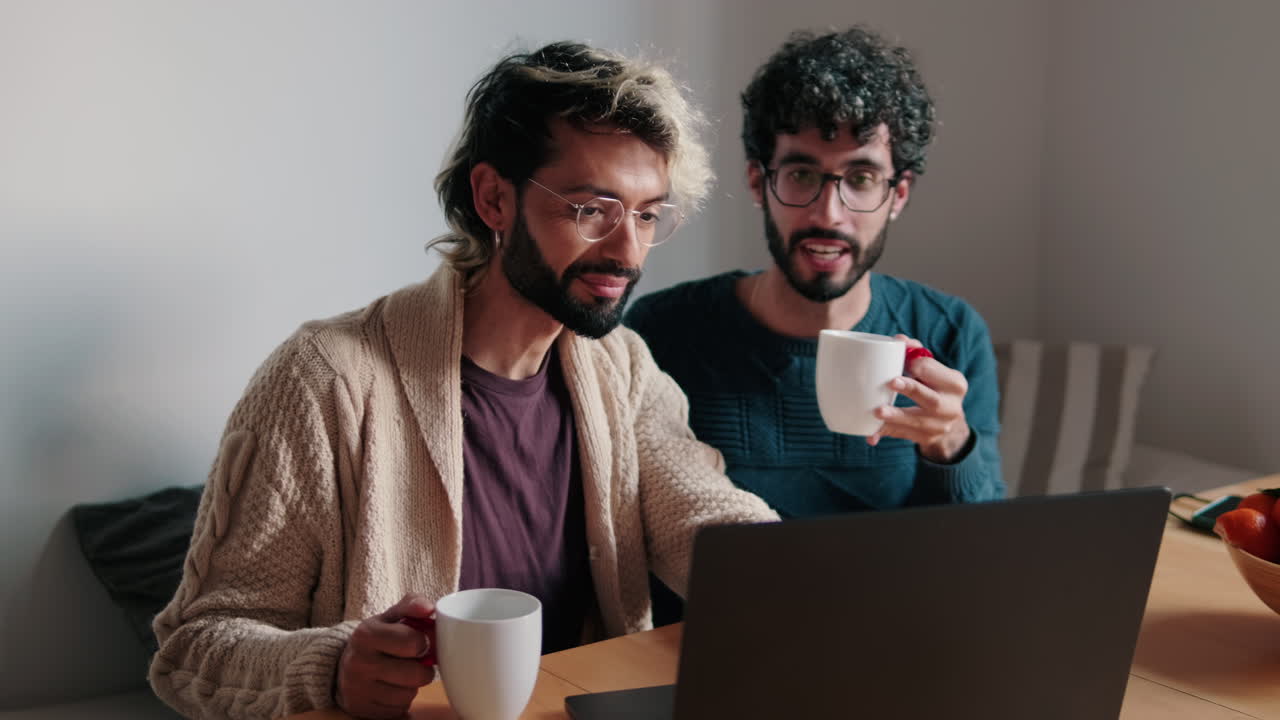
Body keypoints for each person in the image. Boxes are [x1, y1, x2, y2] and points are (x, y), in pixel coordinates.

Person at [149, 41, 777, 720]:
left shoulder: (621, 368)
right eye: (592, 209)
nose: (627, 250)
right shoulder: (325, 378)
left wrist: (795, 574)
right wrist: (333, 668)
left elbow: (707, 521)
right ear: (493, 199)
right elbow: (193, 650)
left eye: (648, 214)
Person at [626, 26, 1004, 521]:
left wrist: (951, 442)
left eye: (861, 179)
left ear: (899, 195)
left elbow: (982, 559)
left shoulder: (950, 333)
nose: (829, 215)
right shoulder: (666, 332)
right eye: (802, 175)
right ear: (758, 183)